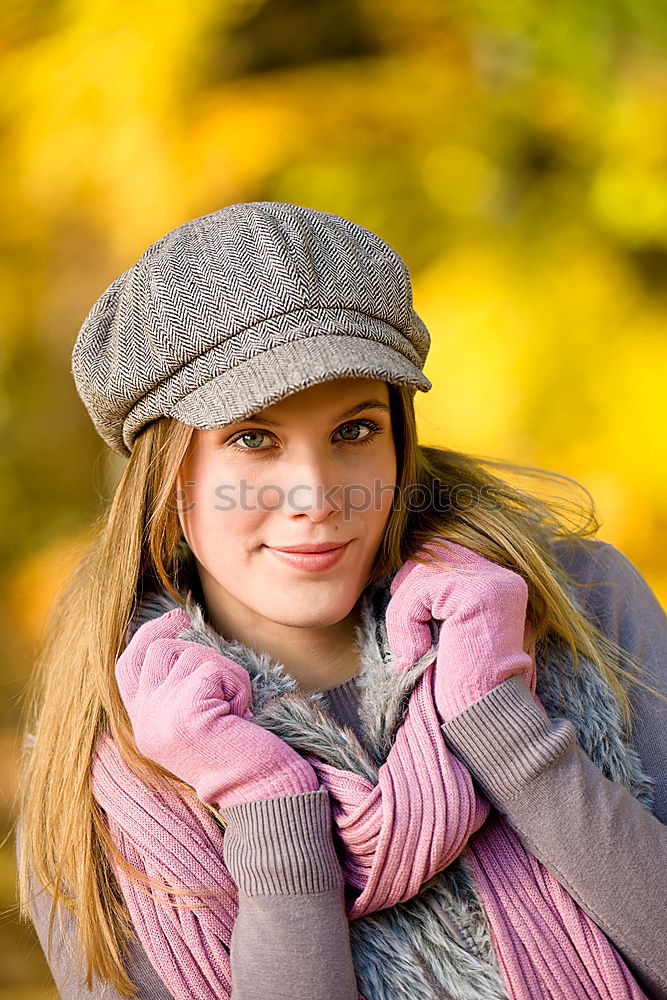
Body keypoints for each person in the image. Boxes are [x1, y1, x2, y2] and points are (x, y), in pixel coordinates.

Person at [15, 202, 667, 1000]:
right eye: (253, 439)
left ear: (399, 436)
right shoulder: (94, 794)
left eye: (354, 431)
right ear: (168, 477)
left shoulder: (580, 605)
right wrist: (272, 817)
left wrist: (505, 731)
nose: (317, 496)